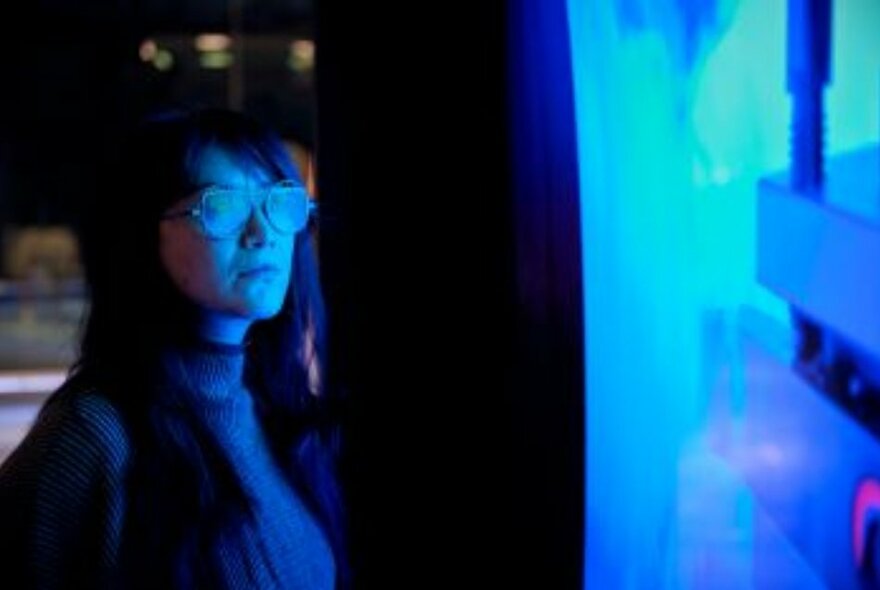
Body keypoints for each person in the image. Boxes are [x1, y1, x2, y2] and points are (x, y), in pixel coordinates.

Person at [0, 107, 350, 589]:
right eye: (222, 206)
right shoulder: (94, 435)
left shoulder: (275, 410)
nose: (262, 233)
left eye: (277, 201)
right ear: (142, 235)